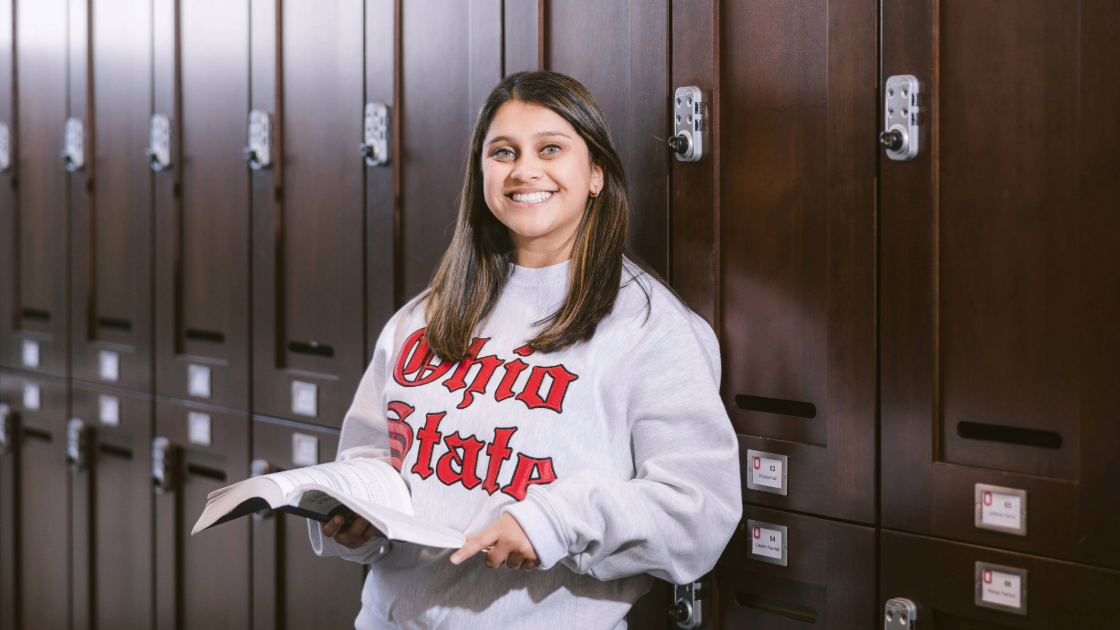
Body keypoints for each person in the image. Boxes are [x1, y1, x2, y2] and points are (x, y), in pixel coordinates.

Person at [309, 70, 741, 630]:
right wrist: (355, 518)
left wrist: (555, 521)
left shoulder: (650, 327)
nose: (525, 170)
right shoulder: (423, 316)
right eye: (503, 152)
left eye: (551, 148)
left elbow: (696, 512)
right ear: (481, 172)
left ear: (595, 174)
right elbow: (371, 455)